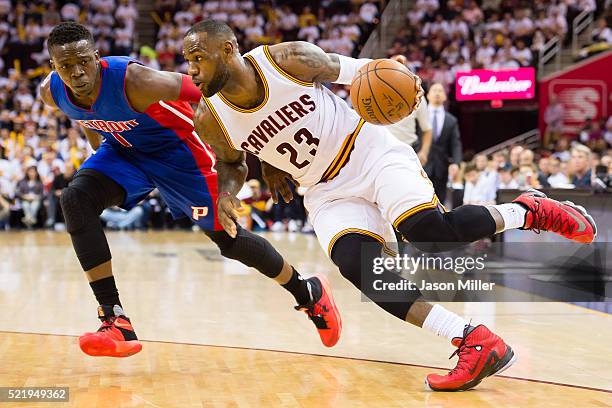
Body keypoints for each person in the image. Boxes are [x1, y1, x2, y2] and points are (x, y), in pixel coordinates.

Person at [183, 20, 596, 392]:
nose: (192, 71)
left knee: (429, 233)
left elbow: (362, 71)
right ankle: (473, 339)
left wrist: (397, 73)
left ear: (229, 49)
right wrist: (225, 191)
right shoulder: (209, 118)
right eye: (188, 62)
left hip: (368, 152)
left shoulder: (285, 59)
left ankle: (527, 211)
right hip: (325, 191)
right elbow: (231, 162)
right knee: (361, 268)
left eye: (198, 58)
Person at [39, 22, 341, 358]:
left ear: (96, 56)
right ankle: (115, 319)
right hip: (125, 152)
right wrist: (99, 147)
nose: (77, 72)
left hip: (180, 151)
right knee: (75, 199)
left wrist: (264, 153)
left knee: (229, 240)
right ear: (54, 67)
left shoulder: (137, 81)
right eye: (66, 66)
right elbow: (88, 117)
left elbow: (213, 90)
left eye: (84, 61)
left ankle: (308, 292)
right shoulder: (52, 92)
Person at [426, 83, 462, 204]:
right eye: (434, 90)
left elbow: (455, 143)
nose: (437, 93)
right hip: (421, 165)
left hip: (442, 167)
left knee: (440, 202)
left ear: (445, 97)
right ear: (428, 95)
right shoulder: (419, 117)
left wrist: (456, 163)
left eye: (440, 91)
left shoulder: (451, 120)